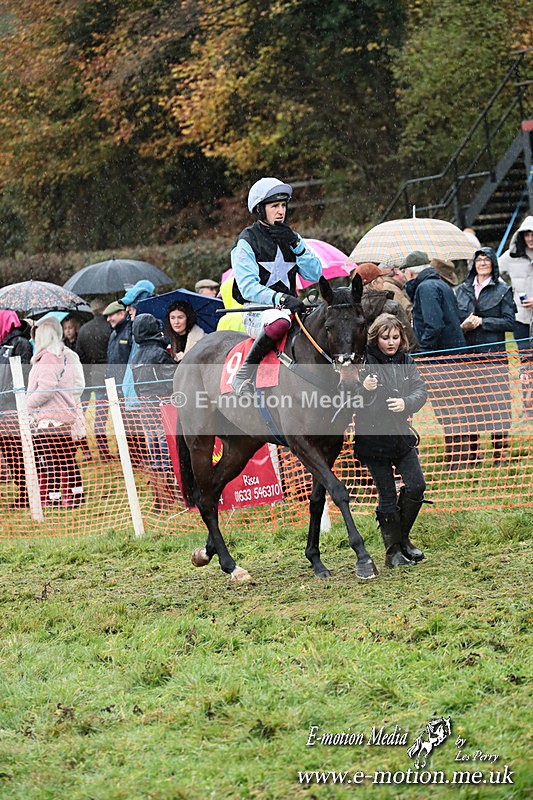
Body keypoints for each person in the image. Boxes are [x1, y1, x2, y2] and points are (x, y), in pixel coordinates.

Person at [230, 177, 322, 395]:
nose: (281, 211)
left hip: (291, 309)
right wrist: (280, 299)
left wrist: (296, 244)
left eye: (283, 205)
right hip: (257, 311)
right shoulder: (246, 241)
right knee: (279, 321)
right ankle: (243, 374)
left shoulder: (291, 236)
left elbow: (315, 273)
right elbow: (247, 287)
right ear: (261, 210)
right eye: (274, 206)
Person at [353, 313, 427, 567]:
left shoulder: (406, 360)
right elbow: (351, 399)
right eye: (385, 338)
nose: (391, 342)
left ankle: (403, 539)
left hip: (401, 436)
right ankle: (392, 552)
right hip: (373, 440)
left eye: (395, 337)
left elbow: (421, 390)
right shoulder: (364, 363)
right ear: (376, 338)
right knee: (386, 495)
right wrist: (365, 389)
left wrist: (407, 403)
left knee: (417, 486)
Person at [455, 247, 516, 464]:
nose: (482, 263)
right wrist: (463, 326)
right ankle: (473, 452)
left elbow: (510, 322)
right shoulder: (461, 290)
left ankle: (500, 452)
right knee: (472, 404)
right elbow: (454, 321)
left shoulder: (503, 290)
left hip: (494, 356)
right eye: (478, 260)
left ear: (493, 264)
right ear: (473, 264)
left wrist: (483, 322)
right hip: (468, 356)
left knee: (497, 404)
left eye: (486, 260)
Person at [26, 316, 85, 507]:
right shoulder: (62, 357)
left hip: (49, 418)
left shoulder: (48, 359)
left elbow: (45, 389)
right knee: (67, 460)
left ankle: (53, 498)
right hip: (63, 417)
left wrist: (27, 403)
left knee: (50, 461)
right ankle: (75, 495)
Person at [130, 313, 177, 511]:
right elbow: (171, 379)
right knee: (166, 450)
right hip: (161, 405)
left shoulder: (136, 356)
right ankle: (172, 494)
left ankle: (160, 497)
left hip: (145, 408)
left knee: (154, 451)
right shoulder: (158, 354)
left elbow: (138, 386)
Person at [498, 214, 533, 419]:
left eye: (532, 234)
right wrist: (506, 291)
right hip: (521, 320)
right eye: (526, 234)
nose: (530, 238)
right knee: (525, 364)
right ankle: (528, 408)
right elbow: (492, 270)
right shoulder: (511, 256)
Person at [119, 280, 155, 468]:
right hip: (138, 396)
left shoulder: (150, 331)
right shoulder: (136, 330)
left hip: (147, 395)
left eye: (131, 305)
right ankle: (160, 478)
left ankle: (164, 475)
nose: (127, 310)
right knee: (150, 437)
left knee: (157, 437)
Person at [0, 311, 33, 508]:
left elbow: (21, 375)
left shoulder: (20, 343)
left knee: (17, 453)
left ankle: (27, 492)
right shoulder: (2, 344)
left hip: (13, 407)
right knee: (9, 453)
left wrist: (5, 394)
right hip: (3, 408)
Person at [75, 298, 114, 461]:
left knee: (99, 414)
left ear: (92, 311)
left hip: (94, 375)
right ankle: (126, 449)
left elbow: (80, 356)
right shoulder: (110, 328)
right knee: (122, 414)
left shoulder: (84, 330)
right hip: (112, 372)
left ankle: (102, 449)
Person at [351, 262, 418, 351]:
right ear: (374, 283)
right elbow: (410, 341)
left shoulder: (352, 310)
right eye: (381, 278)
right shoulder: (393, 307)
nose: (383, 281)